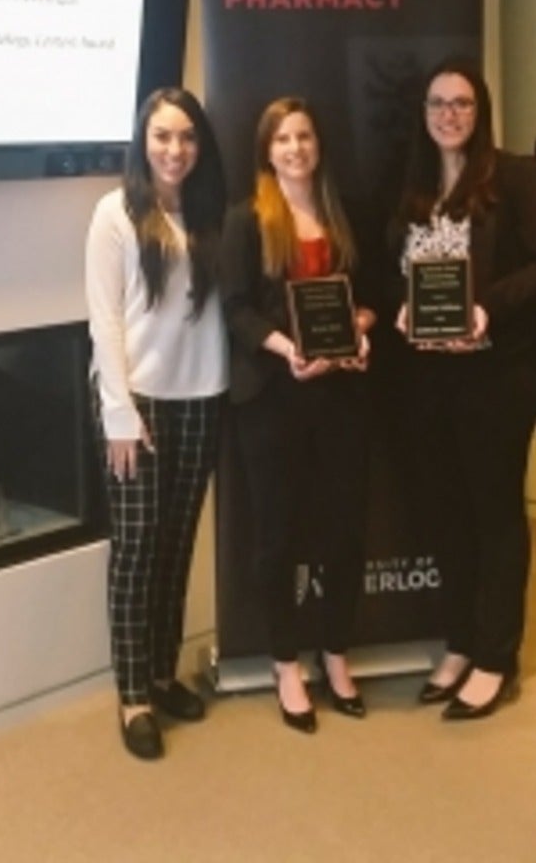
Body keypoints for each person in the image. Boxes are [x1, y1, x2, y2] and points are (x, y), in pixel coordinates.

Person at [393, 57, 536, 721]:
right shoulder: (413, 183)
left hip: (497, 376)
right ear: (423, 113)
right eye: (438, 103)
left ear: (481, 110)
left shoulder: (514, 176)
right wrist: (401, 308)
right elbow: (390, 268)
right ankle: (461, 642)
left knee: (495, 516)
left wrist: (485, 308)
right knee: (446, 515)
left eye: (462, 103)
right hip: (427, 381)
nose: (449, 115)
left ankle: (496, 656)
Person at [220, 97, 375, 734]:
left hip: (341, 395)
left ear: (318, 145)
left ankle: (334, 653)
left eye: (304, 136)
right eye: (283, 139)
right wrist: (290, 351)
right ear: (267, 150)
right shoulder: (245, 220)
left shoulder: (343, 213)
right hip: (271, 397)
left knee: (345, 531)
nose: (295, 149)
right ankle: (286, 663)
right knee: (277, 536)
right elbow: (235, 309)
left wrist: (359, 332)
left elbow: (368, 297)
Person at [85, 87, 227, 760]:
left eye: (187, 137)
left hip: (202, 396)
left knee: (176, 543)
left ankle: (164, 675)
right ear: (143, 141)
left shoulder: (212, 211)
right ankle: (134, 695)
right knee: (137, 546)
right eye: (163, 136)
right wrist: (119, 412)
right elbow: (105, 318)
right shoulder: (114, 213)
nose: (175, 149)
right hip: (134, 403)